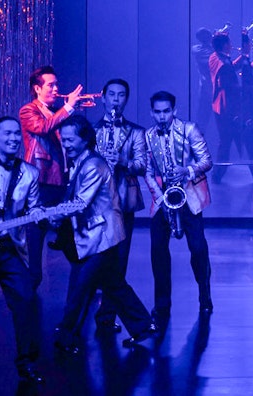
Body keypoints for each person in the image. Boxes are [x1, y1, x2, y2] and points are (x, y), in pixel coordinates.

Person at [50, 115, 156, 354]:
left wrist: (51, 214)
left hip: (100, 237)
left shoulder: (93, 165)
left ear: (85, 139)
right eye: (62, 139)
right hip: (95, 235)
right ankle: (143, 325)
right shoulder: (80, 161)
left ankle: (66, 336)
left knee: (81, 286)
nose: (65, 144)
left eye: (69, 139)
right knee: (113, 284)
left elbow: (80, 203)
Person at [143, 91, 214, 323]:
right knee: (158, 253)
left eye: (166, 111)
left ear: (175, 111)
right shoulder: (148, 135)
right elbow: (148, 172)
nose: (162, 117)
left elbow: (207, 161)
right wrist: (160, 198)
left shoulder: (189, 129)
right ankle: (162, 304)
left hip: (189, 197)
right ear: (152, 112)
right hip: (163, 199)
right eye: (157, 112)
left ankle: (204, 295)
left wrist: (187, 171)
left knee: (198, 250)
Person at [0, 117, 43, 383]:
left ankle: (26, 361)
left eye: (17, 134)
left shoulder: (30, 172)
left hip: (9, 247)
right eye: (7, 133)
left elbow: (34, 208)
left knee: (26, 299)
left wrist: (43, 214)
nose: (14, 139)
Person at [92, 79, 149, 333]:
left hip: (123, 202)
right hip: (96, 205)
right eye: (111, 94)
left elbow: (142, 165)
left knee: (120, 261)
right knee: (95, 261)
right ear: (103, 97)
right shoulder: (91, 130)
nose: (116, 99)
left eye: (121, 95)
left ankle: (106, 315)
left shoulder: (136, 132)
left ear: (126, 99)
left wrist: (123, 161)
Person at [19, 66, 83, 288]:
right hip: (41, 181)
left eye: (56, 84)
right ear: (37, 89)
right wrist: (68, 107)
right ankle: (31, 283)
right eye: (51, 85)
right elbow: (43, 127)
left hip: (61, 181)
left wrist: (71, 111)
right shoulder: (28, 110)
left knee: (68, 233)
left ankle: (85, 278)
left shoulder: (57, 111)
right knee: (36, 235)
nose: (56, 88)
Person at [209, 32, 253, 183]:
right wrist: (251, 88)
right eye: (230, 43)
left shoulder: (220, 59)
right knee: (229, 143)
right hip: (231, 111)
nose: (233, 46)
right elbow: (231, 77)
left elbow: (238, 68)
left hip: (230, 110)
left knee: (247, 141)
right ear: (226, 45)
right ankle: (217, 175)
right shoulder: (219, 60)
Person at [192, 28, 214, 133]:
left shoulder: (212, 49)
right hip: (206, 89)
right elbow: (209, 59)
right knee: (202, 120)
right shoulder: (197, 49)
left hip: (216, 88)